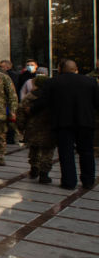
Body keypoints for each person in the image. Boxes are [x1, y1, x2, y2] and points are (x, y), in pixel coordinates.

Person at [31, 60, 99, 191]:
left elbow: (44, 101)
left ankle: (69, 181)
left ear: (60, 69)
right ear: (76, 69)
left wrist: (31, 109)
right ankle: (88, 181)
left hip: (63, 122)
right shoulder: (90, 81)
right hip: (85, 122)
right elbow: (96, 102)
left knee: (66, 153)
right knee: (87, 152)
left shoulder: (53, 82)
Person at [16, 76, 55, 184]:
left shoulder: (30, 96)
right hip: (48, 128)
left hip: (32, 128)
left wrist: (20, 126)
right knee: (47, 151)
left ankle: (34, 168)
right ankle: (44, 173)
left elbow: (20, 111)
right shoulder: (52, 96)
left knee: (34, 149)